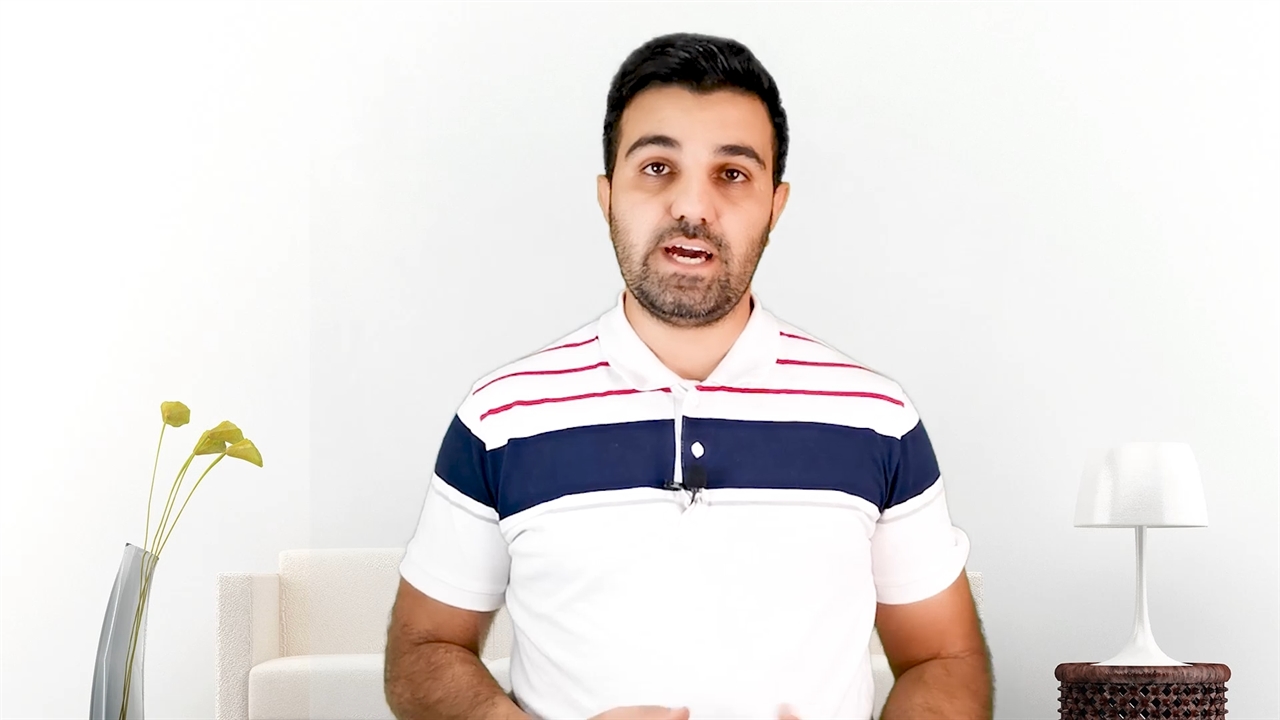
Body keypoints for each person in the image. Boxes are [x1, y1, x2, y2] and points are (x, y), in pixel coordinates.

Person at [384, 32, 993, 720]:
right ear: (607, 195)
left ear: (776, 205)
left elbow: (943, 659)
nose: (693, 207)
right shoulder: (500, 418)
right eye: (657, 167)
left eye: (732, 174)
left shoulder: (878, 418)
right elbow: (424, 648)